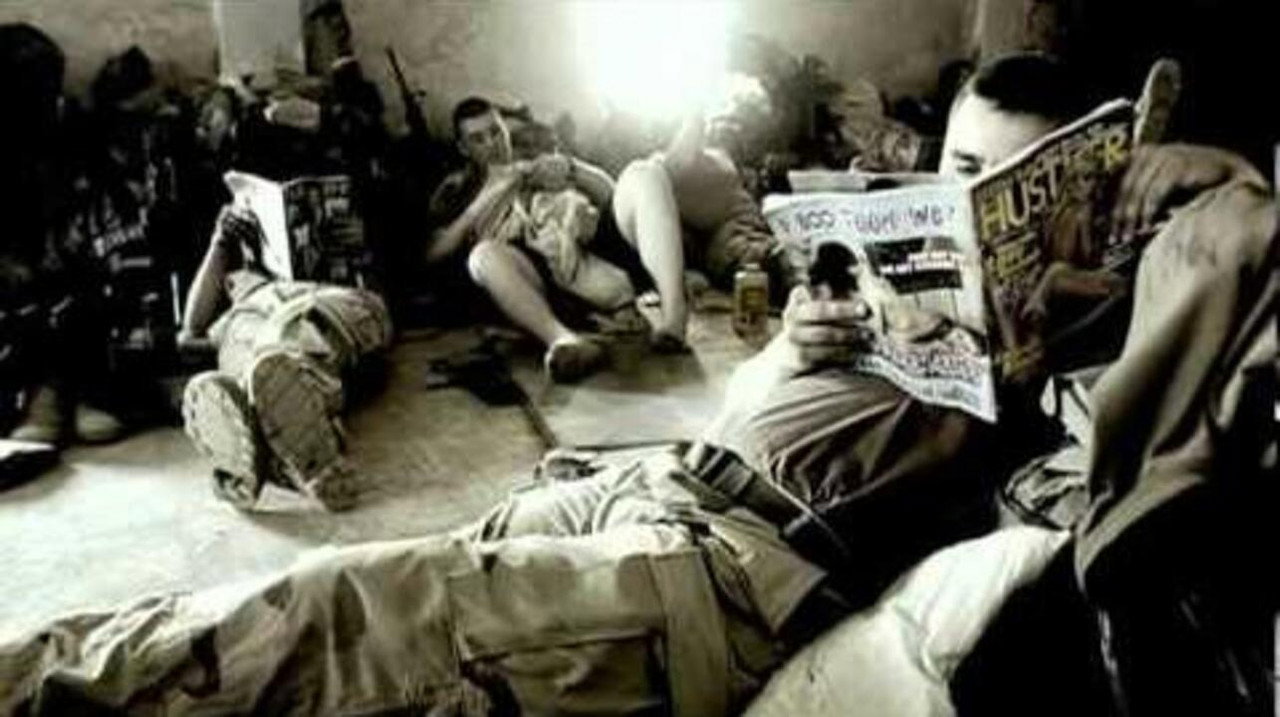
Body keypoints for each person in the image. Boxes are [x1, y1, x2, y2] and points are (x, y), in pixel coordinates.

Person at [3, 52, 1270, 715]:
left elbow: (1236, 238)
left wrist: (1161, 181)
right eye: (949, 166)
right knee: (249, 612)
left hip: (714, 560)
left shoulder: (1085, 325)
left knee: (323, 625)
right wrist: (793, 345)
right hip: (641, 478)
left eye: (995, 178)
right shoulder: (867, 282)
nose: (957, 193)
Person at [427, 96, 692, 382]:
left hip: (592, 241)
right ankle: (563, 341)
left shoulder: (535, 153)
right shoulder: (457, 188)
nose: (492, 144)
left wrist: (571, 168)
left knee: (646, 172)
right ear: (463, 148)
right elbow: (433, 253)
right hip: (539, 273)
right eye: (478, 139)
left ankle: (674, 320)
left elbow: (609, 192)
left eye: (495, 132)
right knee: (483, 257)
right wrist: (490, 195)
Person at [177, 202, 392, 511]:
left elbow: (390, 295)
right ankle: (289, 448)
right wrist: (220, 243)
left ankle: (262, 444)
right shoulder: (240, 271)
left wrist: (367, 246)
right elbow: (190, 330)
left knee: (292, 339)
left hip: (325, 298)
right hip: (254, 306)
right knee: (244, 350)